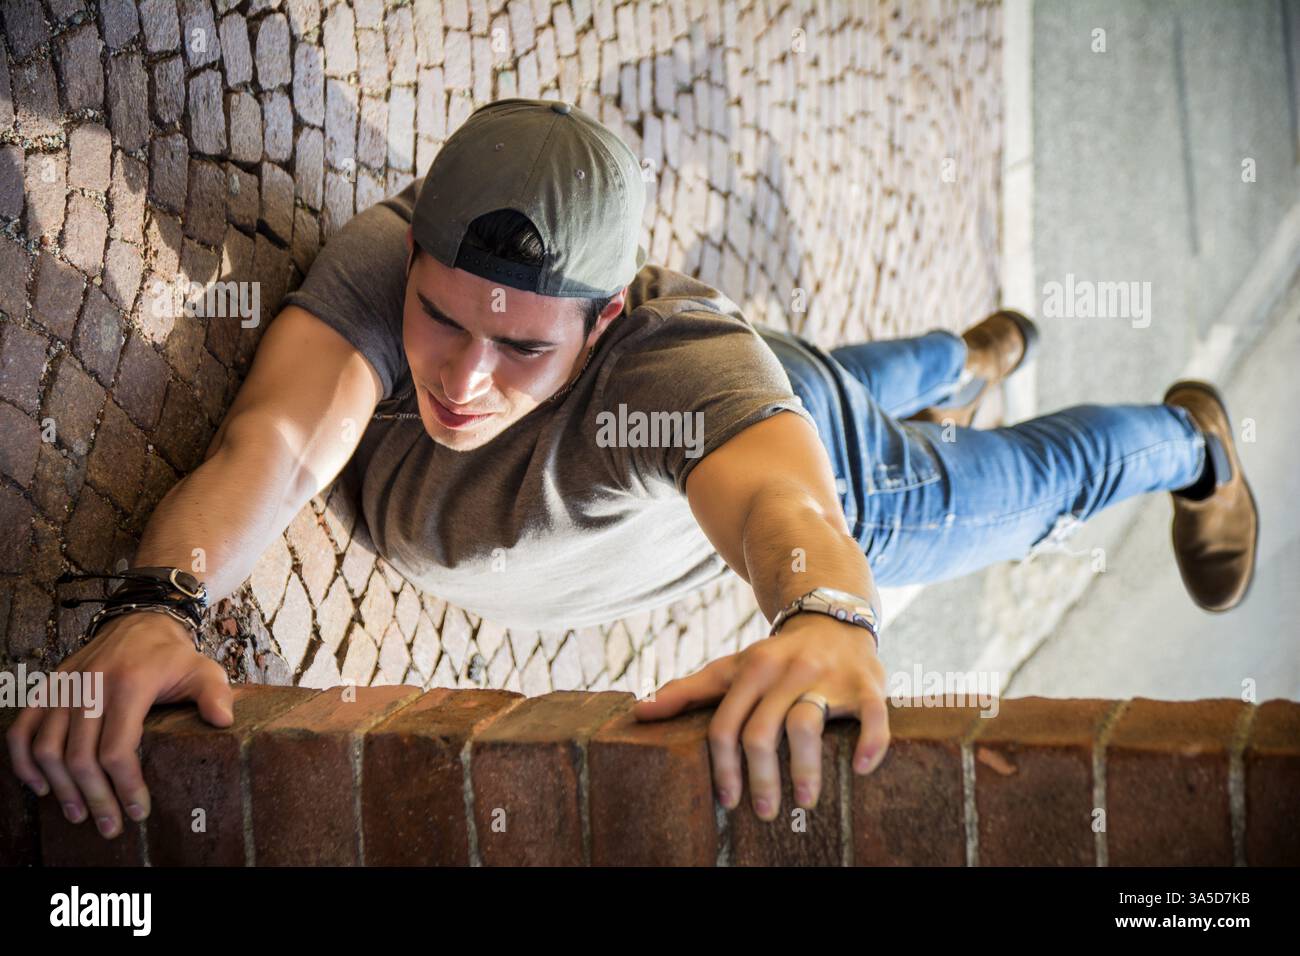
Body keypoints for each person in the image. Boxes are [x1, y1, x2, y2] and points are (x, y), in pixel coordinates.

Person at [5, 98, 1258, 841]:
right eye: (442, 319)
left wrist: (827, 607)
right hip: (766, 379)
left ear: (604, 325)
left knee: (1024, 487)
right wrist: (160, 606)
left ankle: (1186, 441)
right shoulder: (387, 256)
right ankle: (966, 352)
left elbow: (782, 497)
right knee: (825, 370)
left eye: (521, 348)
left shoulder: (672, 363)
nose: (463, 379)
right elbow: (273, 443)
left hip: (840, 472)